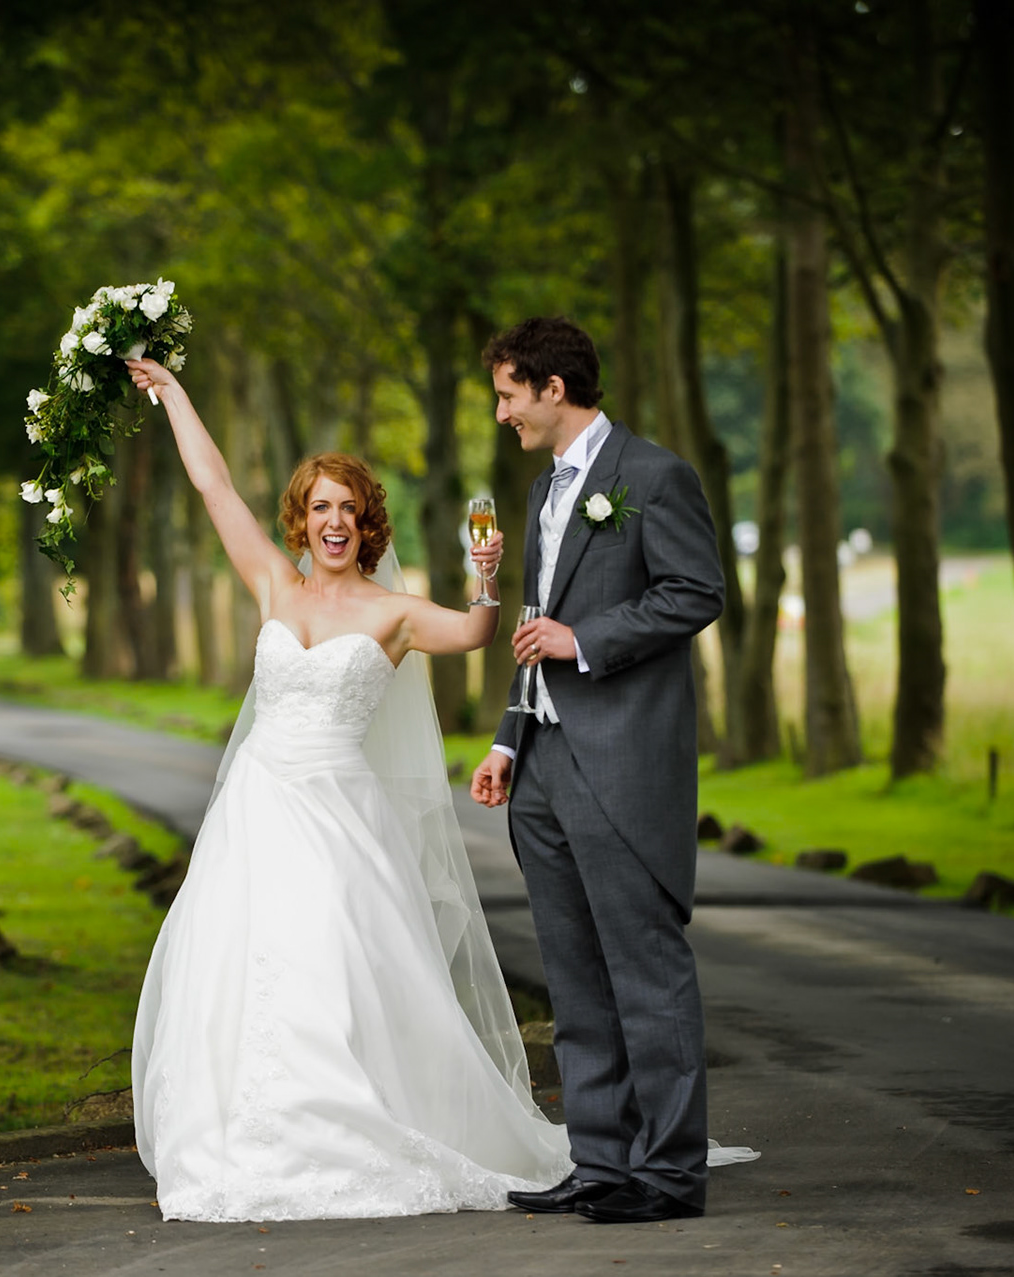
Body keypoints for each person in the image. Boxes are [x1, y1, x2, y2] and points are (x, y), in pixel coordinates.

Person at [122, 355, 575, 1222]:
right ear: (302, 519)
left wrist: (485, 571)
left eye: (349, 508)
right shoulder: (272, 583)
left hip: (338, 814)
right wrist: (176, 393)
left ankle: (342, 1129)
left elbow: (478, 631)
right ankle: (244, 1138)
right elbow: (213, 485)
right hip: (257, 810)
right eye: (320, 506)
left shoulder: (391, 614)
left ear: (367, 524)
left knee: (330, 967)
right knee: (239, 969)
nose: (335, 520)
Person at [469, 316, 728, 1224]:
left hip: (620, 766)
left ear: (551, 387)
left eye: (508, 393)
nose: (502, 412)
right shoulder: (542, 490)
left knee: (644, 974)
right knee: (576, 980)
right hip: (539, 768)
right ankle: (603, 1162)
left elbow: (697, 590)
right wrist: (507, 737)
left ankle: (667, 1173)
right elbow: (539, 622)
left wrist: (588, 640)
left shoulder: (654, 476)